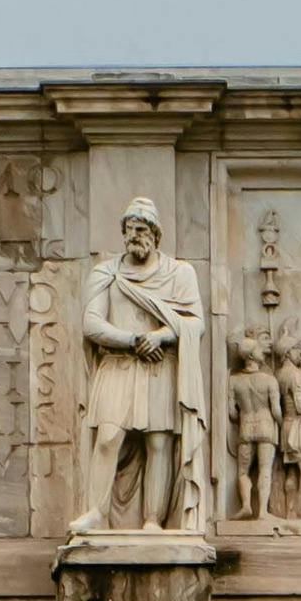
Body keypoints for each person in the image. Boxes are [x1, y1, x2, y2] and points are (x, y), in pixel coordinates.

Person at [74, 199, 211, 533]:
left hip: (159, 367)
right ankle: (96, 511)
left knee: (159, 443)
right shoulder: (106, 272)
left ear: (155, 234)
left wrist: (161, 337)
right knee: (107, 438)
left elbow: (195, 322)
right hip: (118, 363)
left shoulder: (179, 273)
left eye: (142, 229)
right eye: (130, 229)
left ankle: (153, 520)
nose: (135, 236)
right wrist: (134, 339)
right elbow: (91, 324)